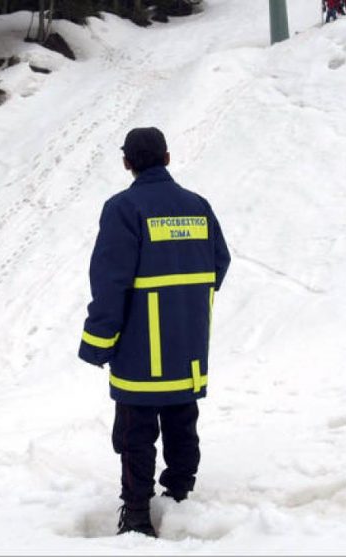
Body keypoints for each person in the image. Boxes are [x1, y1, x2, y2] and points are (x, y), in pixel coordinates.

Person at [79, 127, 230, 537]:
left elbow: (110, 283)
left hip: (140, 348)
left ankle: (137, 516)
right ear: (167, 157)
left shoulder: (122, 209)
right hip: (188, 344)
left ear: (127, 162)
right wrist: (185, 300)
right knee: (183, 421)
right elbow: (219, 262)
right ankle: (179, 496)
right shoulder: (198, 206)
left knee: (136, 434)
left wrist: (97, 344)